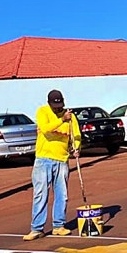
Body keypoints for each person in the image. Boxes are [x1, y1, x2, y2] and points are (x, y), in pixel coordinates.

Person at [23, 90, 82, 240]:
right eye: (55, 106)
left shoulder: (71, 117)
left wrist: (77, 147)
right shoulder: (42, 111)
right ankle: (37, 228)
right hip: (43, 159)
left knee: (62, 194)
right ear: (49, 103)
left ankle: (59, 226)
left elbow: (76, 135)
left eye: (60, 105)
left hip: (62, 160)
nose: (57, 108)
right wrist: (62, 119)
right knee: (40, 194)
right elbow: (45, 128)